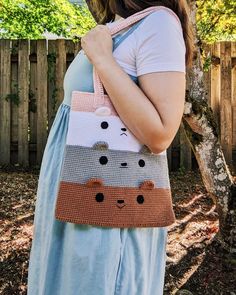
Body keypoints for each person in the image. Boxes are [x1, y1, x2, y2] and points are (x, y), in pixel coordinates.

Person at [27, 1, 195, 294]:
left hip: (106, 210)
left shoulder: (159, 24)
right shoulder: (121, 25)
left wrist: (103, 60)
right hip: (75, 196)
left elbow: (161, 134)